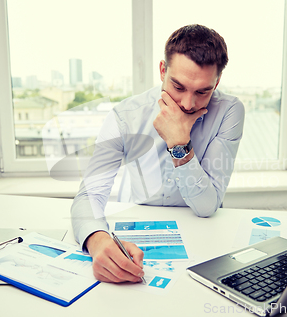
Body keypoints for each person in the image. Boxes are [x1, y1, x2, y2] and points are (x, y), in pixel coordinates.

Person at [71, 24, 245, 283]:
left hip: (201, 233)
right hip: (137, 226)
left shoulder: (229, 111)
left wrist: (179, 143)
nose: (188, 104)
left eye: (203, 91)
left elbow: (207, 206)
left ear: (217, 82)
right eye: (178, 86)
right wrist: (96, 240)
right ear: (163, 70)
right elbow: (89, 193)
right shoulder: (125, 115)